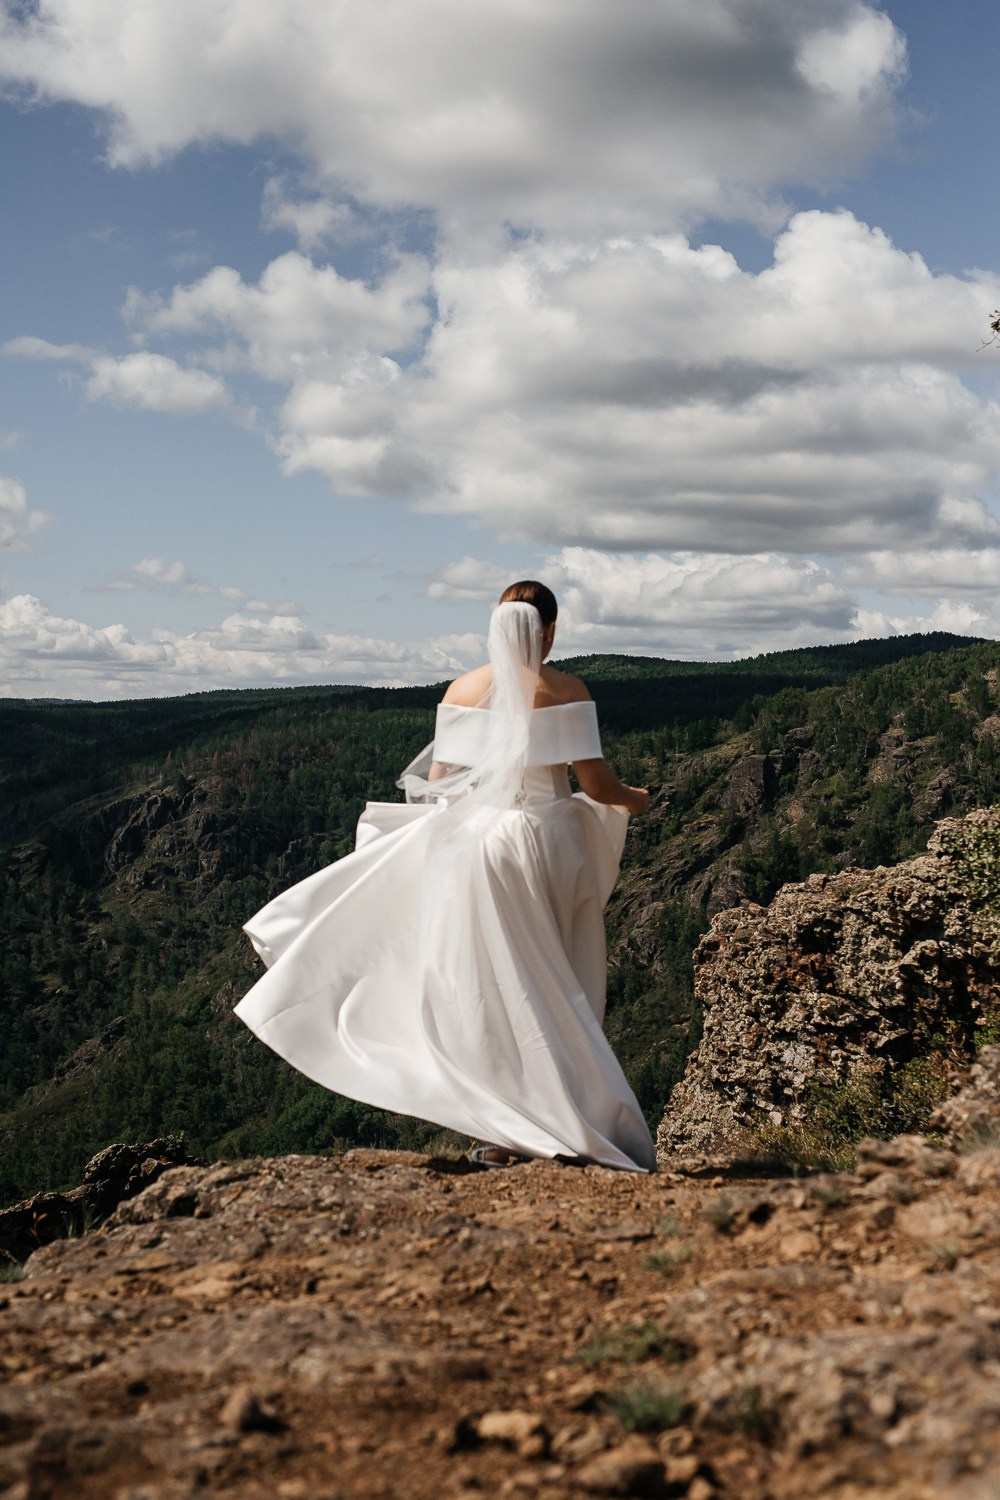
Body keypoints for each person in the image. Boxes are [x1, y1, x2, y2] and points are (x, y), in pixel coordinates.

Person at [235, 580, 656, 1172]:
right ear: (551, 631)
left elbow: (439, 778)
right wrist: (639, 800)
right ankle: (568, 1118)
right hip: (544, 844)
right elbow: (597, 787)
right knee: (554, 978)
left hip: (476, 848)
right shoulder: (564, 690)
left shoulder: (463, 688)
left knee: (489, 986)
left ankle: (501, 1123)